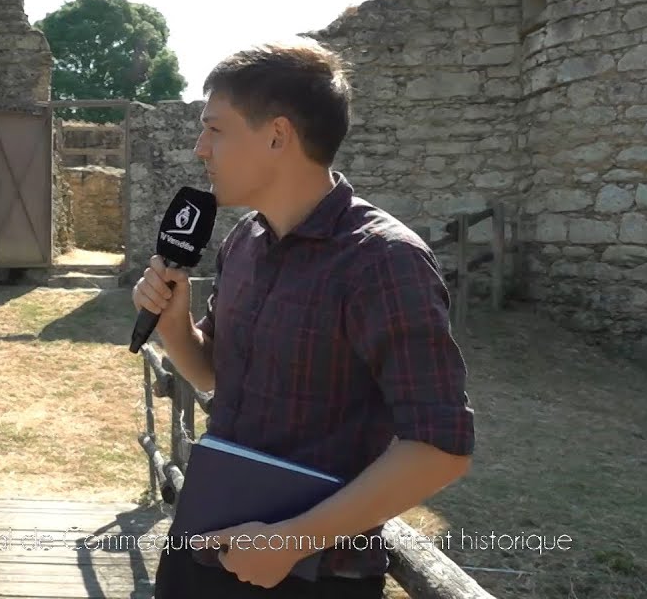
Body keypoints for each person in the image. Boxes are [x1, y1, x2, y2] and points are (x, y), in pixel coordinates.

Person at [132, 38, 475, 598]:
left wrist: (289, 541)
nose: (200, 148)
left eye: (215, 129)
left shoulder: (384, 260)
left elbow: (441, 447)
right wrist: (174, 326)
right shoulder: (245, 240)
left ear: (277, 135)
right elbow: (218, 378)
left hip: (309, 578)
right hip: (201, 550)